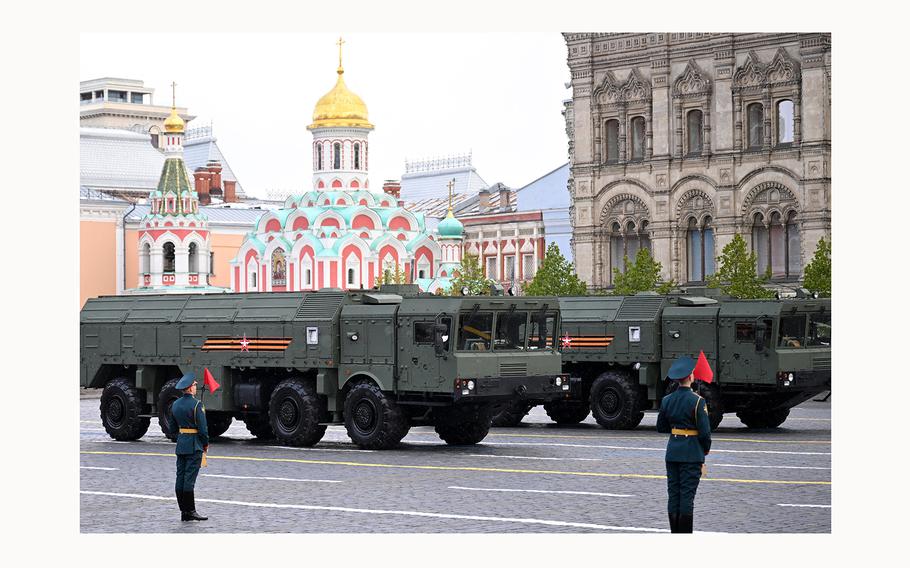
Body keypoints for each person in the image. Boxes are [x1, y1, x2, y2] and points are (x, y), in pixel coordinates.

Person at [656, 355, 712, 533]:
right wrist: (705, 450)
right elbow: (705, 433)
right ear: (690, 377)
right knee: (687, 498)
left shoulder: (667, 400)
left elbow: (661, 427)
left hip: (672, 452)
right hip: (691, 454)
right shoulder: (698, 401)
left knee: (674, 496)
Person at [166, 373, 209, 522]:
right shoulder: (198, 405)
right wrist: (205, 444)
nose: (196, 387)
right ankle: (190, 511)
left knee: (180, 477)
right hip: (194, 445)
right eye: (195, 385)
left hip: (181, 445)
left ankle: (183, 511)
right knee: (189, 480)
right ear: (190, 388)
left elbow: (171, 428)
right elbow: (203, 430)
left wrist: (182, 437)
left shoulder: (175, 404)